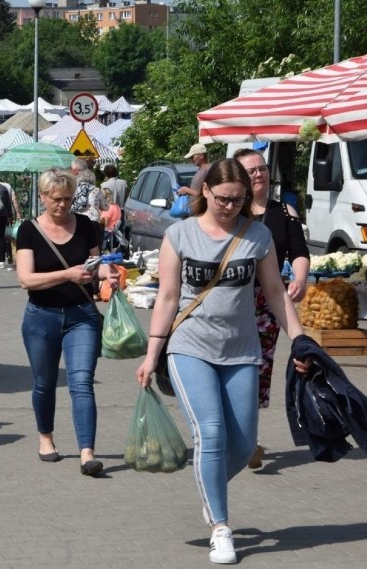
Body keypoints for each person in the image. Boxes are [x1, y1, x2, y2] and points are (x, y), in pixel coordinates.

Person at [134, 159, 311, 565]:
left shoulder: (258, 235)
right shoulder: (179, 235)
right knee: (210, 434)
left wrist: (301, 342)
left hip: (242, 350)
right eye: (223, 199)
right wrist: (151, 353)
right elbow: (166, 298)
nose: (231, 206)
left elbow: (276, 293)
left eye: (238, 200)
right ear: (206, 193)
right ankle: (221, 527)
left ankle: (210, 488)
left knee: (244, 443)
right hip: (189, 346)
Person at [16, 168, 120, 477]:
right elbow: (26, 280)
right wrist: (67, 274)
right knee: (45, 383)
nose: (62, 205)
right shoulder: (29, 231)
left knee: (81, 383)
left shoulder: (87, 226)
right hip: (41, 317)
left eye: (68, 199)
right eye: (56, 199)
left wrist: (107, 274)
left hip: (81, 316)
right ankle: (45, 438)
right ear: (43, 197)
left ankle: (87, 452)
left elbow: (94, 265)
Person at [234, 148, 310, 470]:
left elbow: (300, 251)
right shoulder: (230, 211)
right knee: (230, 366)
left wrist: (301, 279)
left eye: (262, 168)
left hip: (268, 301)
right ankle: (233, 435)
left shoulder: (285, 211)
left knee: (259, 368)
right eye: (251, 170)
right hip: (232, 298)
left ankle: (247, 439)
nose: (259, 174)